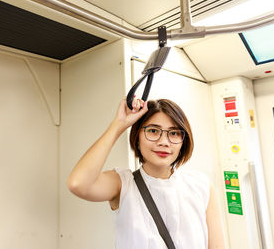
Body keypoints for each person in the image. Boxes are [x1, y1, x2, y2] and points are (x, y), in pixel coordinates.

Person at [67, 97, 225, 249]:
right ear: (137, 137)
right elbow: (78, 184)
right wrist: (119, 125)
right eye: (154, 131)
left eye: (174, 133)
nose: (164, 141)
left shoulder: (201, 186)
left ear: (184, 141)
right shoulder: (123, 184)